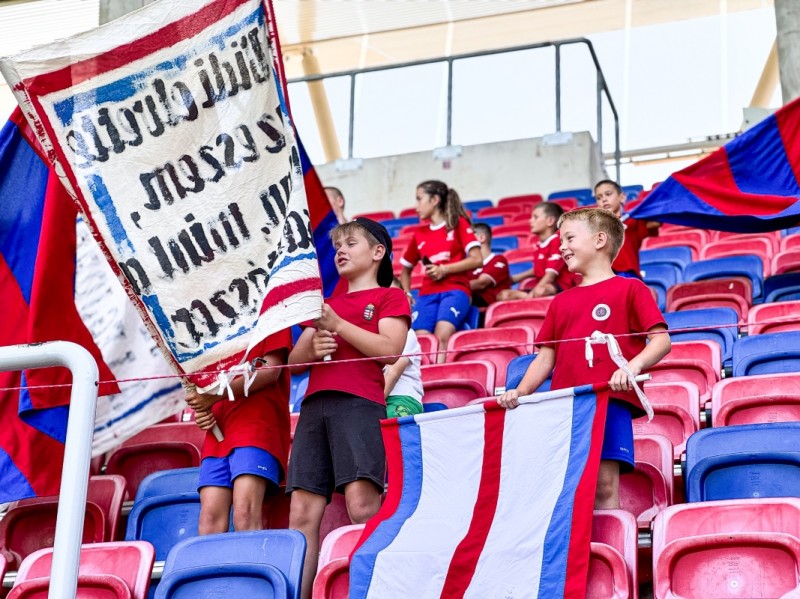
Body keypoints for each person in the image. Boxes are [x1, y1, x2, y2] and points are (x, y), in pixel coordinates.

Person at [497, 207, 671, 510]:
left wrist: (630, 367)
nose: (562, 247)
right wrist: (520, 392)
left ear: (600, 240)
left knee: (604, 487)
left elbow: (662, 341)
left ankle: (609, 542)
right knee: (568, 488)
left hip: (608, 401)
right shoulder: (561, 301)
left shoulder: (631, 288)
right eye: (560, 241)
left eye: (569, 238)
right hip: (565, 407)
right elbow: (545, 358)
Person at [287, 218, 410, 598]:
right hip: (314, 407)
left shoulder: (390, 296)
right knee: (301, 513)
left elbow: (390, 350)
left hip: (360, 405)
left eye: (351, 243)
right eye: (338, 245)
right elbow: (294, 363)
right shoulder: (324, 305)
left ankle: (378, 590)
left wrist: (338, 326)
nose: (341, 251)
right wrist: (312, 348)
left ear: (378, 252)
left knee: (362, 504)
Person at [185, 330, 292, 535]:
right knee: (209, 521)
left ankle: (251, 558)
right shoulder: (209, 323)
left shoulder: (270, 315)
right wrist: (203, 410)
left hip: (256, 424)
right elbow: (205, 384)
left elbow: (270, 370)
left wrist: (213, 396)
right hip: (219, 428)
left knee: (245, 515)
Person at [399, 180, 482, 363]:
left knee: (441, 335)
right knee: (421, 339)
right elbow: (405, 270)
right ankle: (424, 377)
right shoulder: (419, 233)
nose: (416, 206)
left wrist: (444, 269)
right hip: (427, 293)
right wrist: (406, 293)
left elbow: (477, 259)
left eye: (419, 199)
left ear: (435, 200)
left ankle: (439, 375)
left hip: (455, 289)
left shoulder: (458, 224)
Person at [497, 201, 570, 300]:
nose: (530, 221)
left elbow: (550, 276)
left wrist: (530, 297)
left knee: (541, 291)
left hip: (560, 288)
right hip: (542, 286)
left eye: (535, 217)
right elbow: (539, 269)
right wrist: (515, 278)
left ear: (550, 221)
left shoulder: (557, 241)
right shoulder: (539, 245)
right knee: (503, 295)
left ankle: (529, 301)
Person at [594, 179, 660, 277]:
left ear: (622, 197)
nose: (604, 199)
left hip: (627, 275)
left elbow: (656, 222)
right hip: (603, 276)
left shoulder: (631, 221)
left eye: (608, 194)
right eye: (599, 197)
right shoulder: (595, 226)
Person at [384, 277, 424, 418]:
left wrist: (370, 406)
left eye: (394, 296)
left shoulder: (406, 333)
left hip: (403, 397)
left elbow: (392, 373)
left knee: (389, 419)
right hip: (374, 398)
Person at [469, 222, 512, 307]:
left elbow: (481, 283)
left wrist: (453, 286)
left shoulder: (498, 260)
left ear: (481, 238)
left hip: (488, 307)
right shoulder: (468, 265)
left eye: (469, 237)